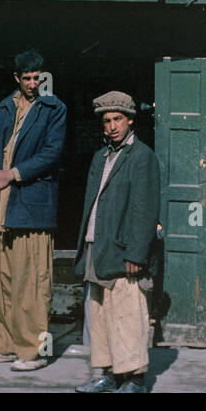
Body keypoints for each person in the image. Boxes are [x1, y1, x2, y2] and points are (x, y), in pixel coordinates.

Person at [0, 50, 66, 372]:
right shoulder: (5, 106)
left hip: (31, 208)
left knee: (33, 286)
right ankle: (6, 346)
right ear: (16, 78)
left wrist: (11, 174)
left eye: (37, 78)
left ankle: (35, 352)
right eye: (26, 78)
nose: (32, 83)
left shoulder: (54, 108)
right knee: (3, 283)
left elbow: (52, 153)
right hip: (0, 208)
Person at [73, 92, 159, 394]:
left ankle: (134, 378)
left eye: (118, 119)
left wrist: (137, 251)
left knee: (127, 312)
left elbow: (144, 208)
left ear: (130, 120)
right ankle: (107, 374)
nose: (112, 126)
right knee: (98, 313)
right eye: (107, 121)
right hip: (97, 244)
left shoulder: (141, 156)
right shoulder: (101, 156)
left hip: (124, 250)